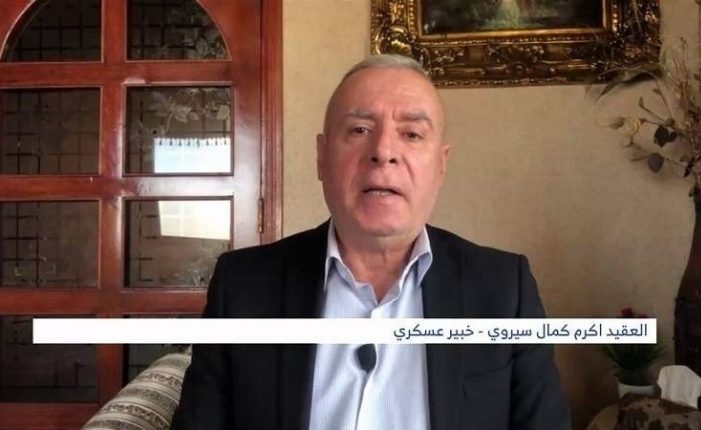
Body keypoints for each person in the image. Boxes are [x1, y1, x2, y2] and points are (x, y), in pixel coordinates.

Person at [171, 54, 570, 430]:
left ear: (441, 164)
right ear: (322, 157)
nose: (383, 152)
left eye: (411, 134)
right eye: (359, 130)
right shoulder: (242, 286)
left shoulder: (505, 289)